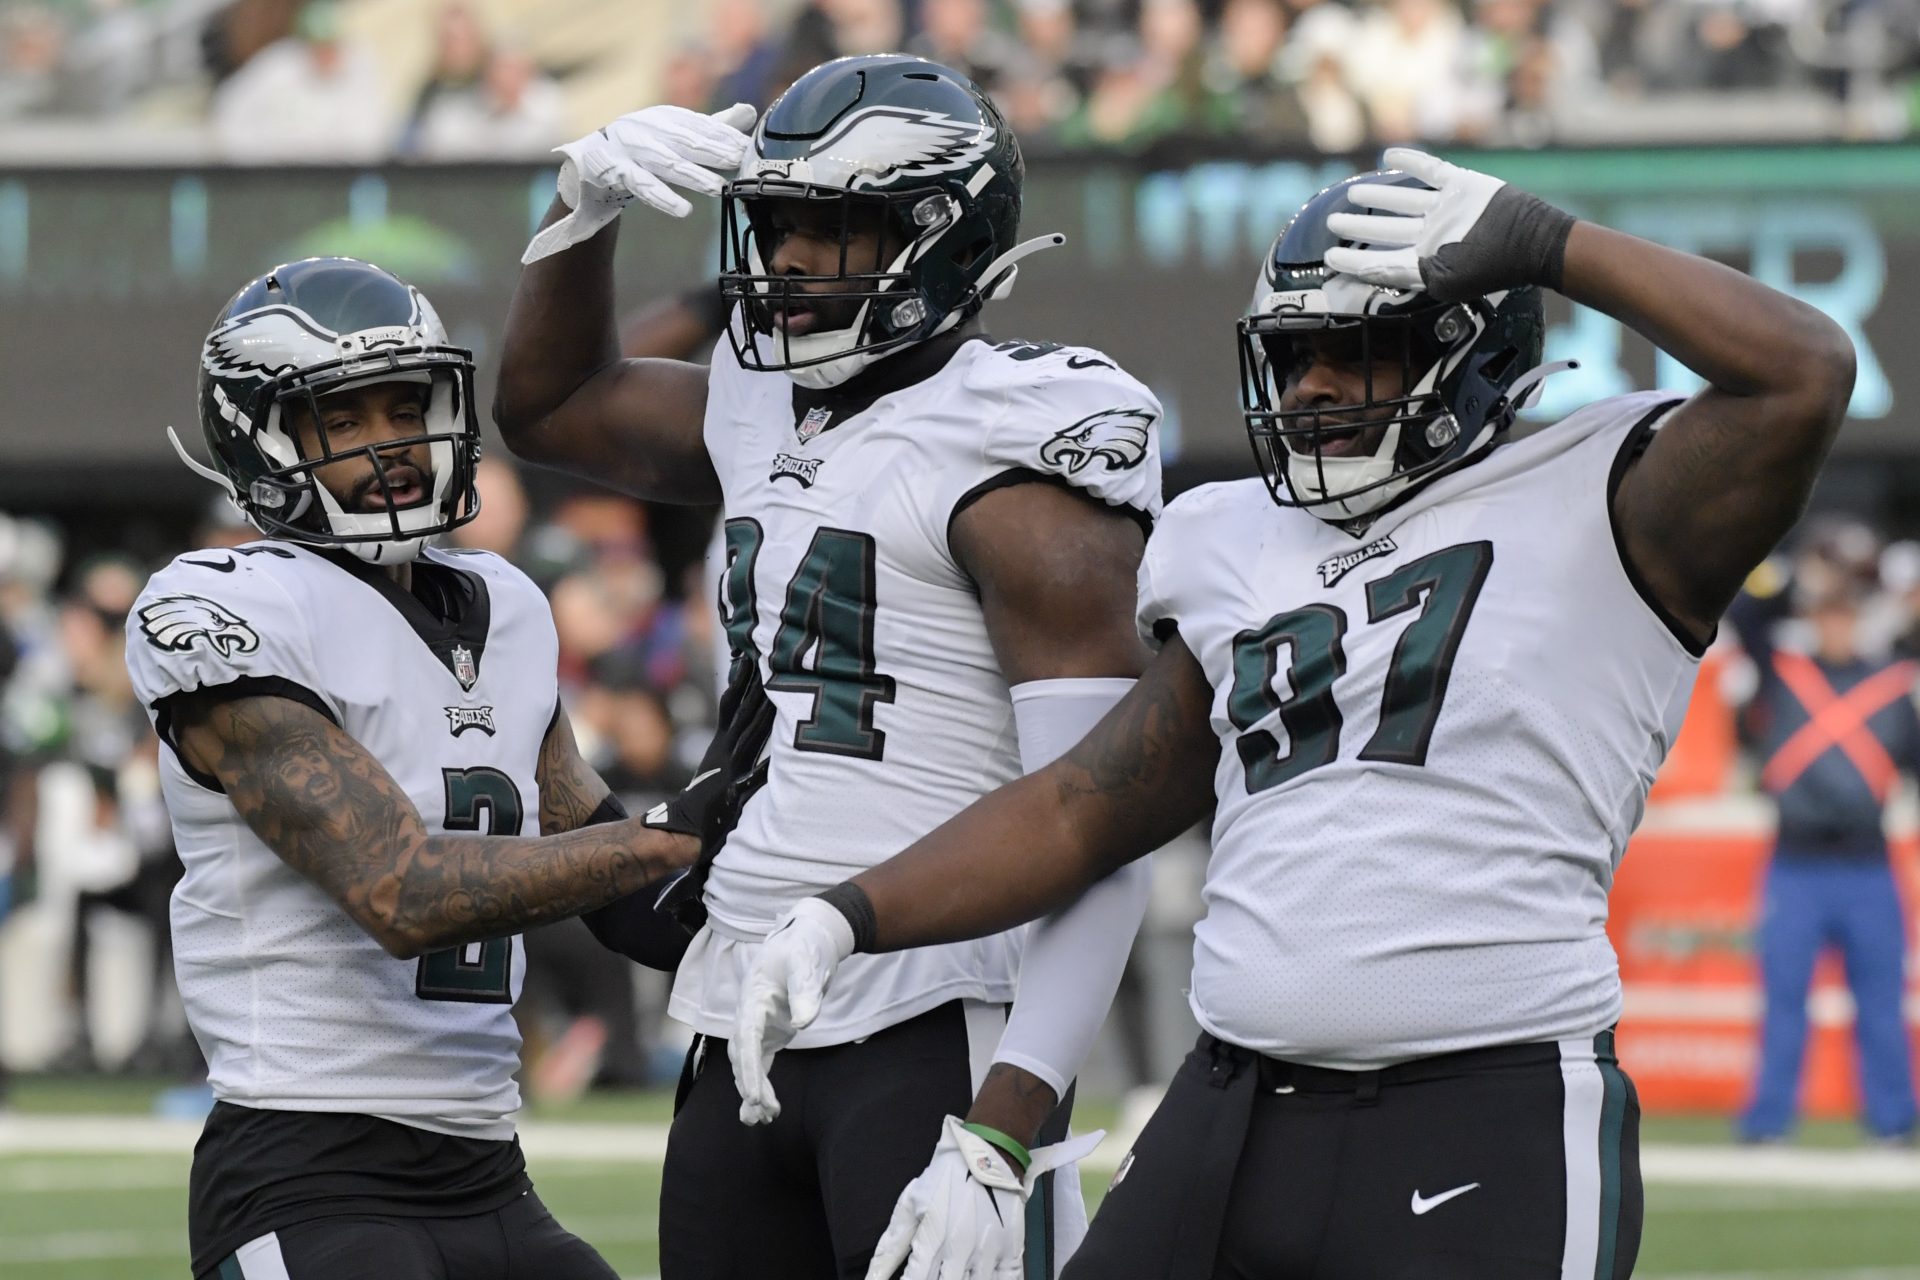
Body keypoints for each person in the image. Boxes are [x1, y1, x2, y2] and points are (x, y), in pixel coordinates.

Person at [733, 147, 1858, 1279]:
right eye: (1292, 355)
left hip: (1483, 1100)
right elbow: (1086, 805)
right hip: (1227, 1101)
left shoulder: (1610, 496)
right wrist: (847, 915)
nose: (1310, 388)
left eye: (1352, 353)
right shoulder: (1231, 535)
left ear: (1469, 353)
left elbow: (1804, 370)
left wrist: (1543, 241)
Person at [496, 54, 1165, 1280]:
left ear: (943, 237)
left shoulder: (1015, 450)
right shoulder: (764, 402)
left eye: (835, 230)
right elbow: (550, 406)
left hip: (936, 1008)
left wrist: (1006, 1123)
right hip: (743, 1001)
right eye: (778, 224)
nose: (792, 260)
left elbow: (1102, 820)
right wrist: (581, 213)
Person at [128, 256, 768, 1280]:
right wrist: (667, 835)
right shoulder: (225, 604)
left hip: (488, 1172)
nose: (393, 443)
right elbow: (402, 891)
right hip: (308, 1171)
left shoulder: (505, 604)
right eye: (344, 419)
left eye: (406, 406)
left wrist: (801, 875)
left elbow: (631, 907)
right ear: (264, 439)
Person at [1730, 528, 1920, 1146]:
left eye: (1846, 614)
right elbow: (1746, 612)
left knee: (1882, 1004)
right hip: (1795, 864)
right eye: (1826, 614)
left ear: (1860, 621)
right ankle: (1768, 1125)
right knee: (1783, 1001)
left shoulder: (1893, 684)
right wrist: (1795, 573)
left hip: (1869, 866)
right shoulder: (1783, 674)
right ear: (1813, 620)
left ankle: (1893, 1125)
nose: (1836, 626)